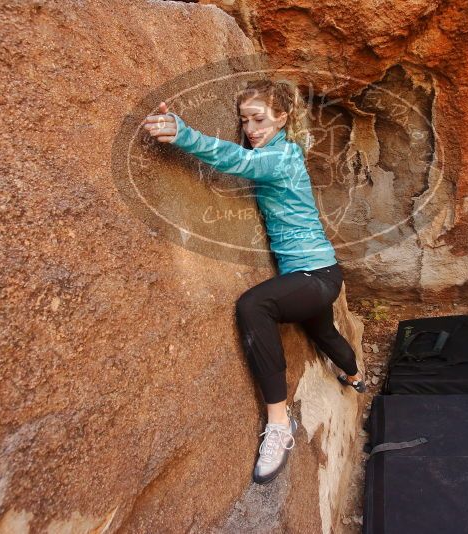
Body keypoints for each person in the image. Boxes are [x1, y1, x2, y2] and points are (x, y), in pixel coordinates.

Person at [144, 79, 365, 485]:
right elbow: (244, 155)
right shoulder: (268, 150)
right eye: (244, 120)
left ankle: (279, 426)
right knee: (324, 333)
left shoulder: (283, 157)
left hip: (316, 275)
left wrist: (184, 134)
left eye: (259, 119)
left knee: (253, 305)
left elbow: (240, 163)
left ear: (282, 118)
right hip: (311, 277)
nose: (251, 129)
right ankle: (354, 377)